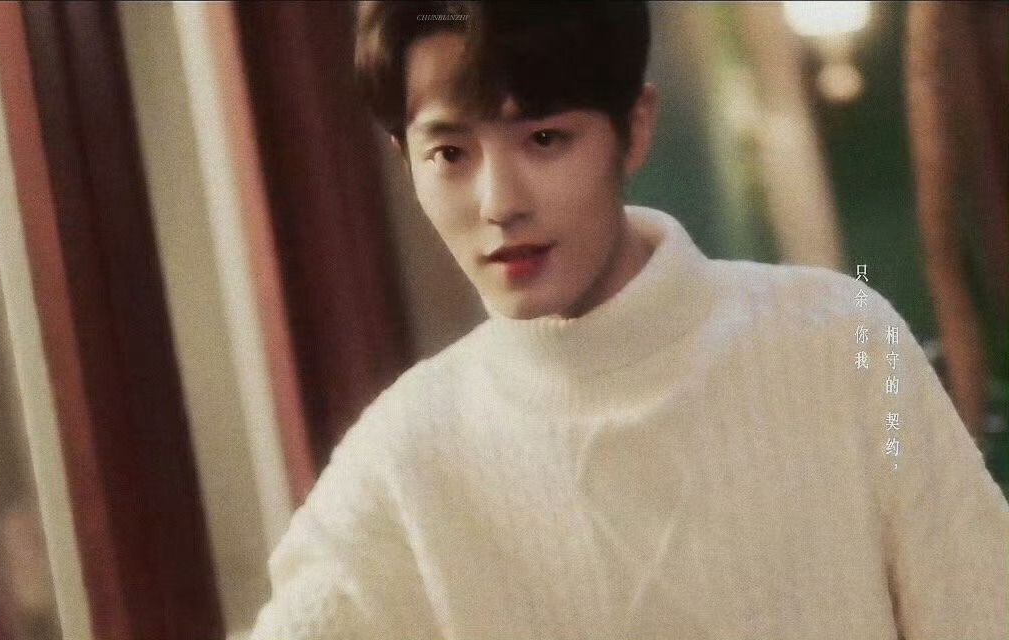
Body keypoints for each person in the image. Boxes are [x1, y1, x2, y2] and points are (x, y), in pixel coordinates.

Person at [248, 2, 1009, 639]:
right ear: (405, 157)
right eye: (450, 154)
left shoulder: (843, 339)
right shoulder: (405, 455)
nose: (499, 202)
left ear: (634, 129)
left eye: (544, 138)